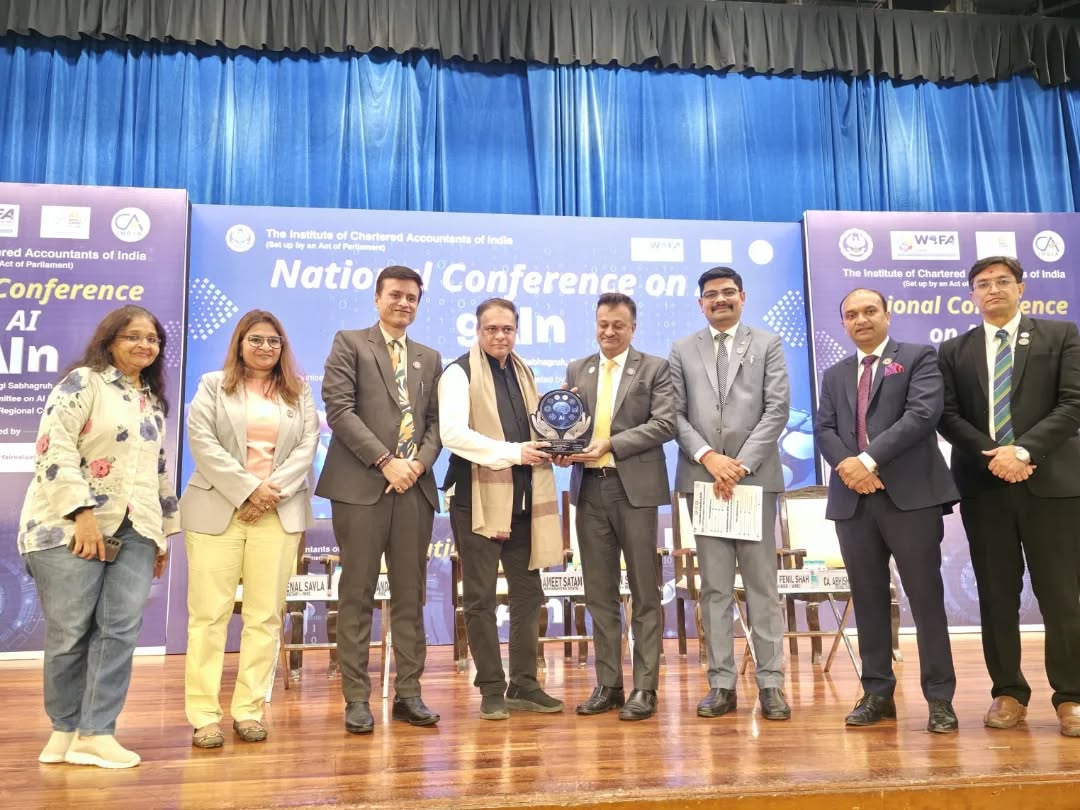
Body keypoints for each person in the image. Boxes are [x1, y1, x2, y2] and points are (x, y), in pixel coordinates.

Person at [18, 305, 178, 769]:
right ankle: (64, 729)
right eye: (134, 336)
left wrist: (162, 534)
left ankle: (96, 733)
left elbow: (157, 471)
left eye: (153, 338)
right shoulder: (83, 383)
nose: (145, 345)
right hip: (67, 526)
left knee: (119, 632)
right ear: (110, 341)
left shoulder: (151, 401)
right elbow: (54, 449)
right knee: (70, 631)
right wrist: (82, 514)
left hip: (136, 528)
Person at [937, 255, 1080, 737]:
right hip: (986, 487)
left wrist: (1023, 450)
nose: (993, 289)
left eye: (1002, 281)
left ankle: (1071, 696)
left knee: (1062, 595)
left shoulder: (1060, 335)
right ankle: (1008, 692)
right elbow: (948, 416)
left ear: (1021, 288)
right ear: (972, 295)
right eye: (983, 284)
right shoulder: (954, 350)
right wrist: (995, 457)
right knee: (996, 596)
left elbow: (1073, 403)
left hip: (1052, 485)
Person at [814, 289, 959, 732]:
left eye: (869, 311)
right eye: (851, 314)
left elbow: (922, 415)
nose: (861, 320)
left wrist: (867, 460)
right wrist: (849, 467)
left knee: (925, 598)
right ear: (843, 323)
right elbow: (824, 428)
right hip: (853, 500)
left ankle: (939, 699)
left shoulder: (918, 357)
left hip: (910, 498)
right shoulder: (835, 374)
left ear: (887, 315)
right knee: (868, 599)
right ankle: (877, 693)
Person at [180, 310, 319, 748]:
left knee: (264, 616)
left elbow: (307, 447)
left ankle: (249, 710)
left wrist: (268, 493)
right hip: (217, 512)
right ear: (240, 343)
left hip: (277, 513)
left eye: (274, 341)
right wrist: (247, 490)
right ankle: (204, 715)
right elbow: (203, 443)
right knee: (209, 617)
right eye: (256, 339)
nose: (265, 347)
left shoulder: (299, 392)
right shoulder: (212, 385)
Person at [315, 266, 443, 734]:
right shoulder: (350, 343)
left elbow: (436, 423)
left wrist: (418, 464)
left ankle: (409, 694)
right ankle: (356, 698)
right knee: (357, 594)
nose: (404, 303)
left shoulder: (429, 357)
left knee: (410, 595)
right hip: (361, 488)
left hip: (414, 489)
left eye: (412, 298)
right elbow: (339, 410)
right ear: (377, 298)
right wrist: (386, 460)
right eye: (395, 295)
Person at [668, 266, 791, 721]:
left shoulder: (768, 343)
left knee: (762, 587)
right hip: (704, 481)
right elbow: (674, 414)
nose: (720, 300)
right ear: (700, 303)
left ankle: (771, 684)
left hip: (753, 480)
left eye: (728, 292)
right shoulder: (682, 349)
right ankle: (721, 684)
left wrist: (738, 465)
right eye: (711, 295)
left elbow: (777, 409)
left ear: (742, 296)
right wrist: (710, 458)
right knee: (715, 589)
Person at [439, 298, 564, 720]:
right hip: (476, 499)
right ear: (477, 331)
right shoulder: (458, 372)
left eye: (507, 329)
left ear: (516, 331)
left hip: (525, 498)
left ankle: (524, 684)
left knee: (529, 594)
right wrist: (514, 453)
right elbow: (453, 435)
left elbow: (536, 429)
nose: (500, 336)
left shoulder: (524, 373)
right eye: (491, 329)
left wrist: (560, 438)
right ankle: (491, 688)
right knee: (480, 597)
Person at [554, 293, 675, 721]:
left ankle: (645, 688)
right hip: (589, 489)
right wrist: (562, 448)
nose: (609, 332)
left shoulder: (655, 368)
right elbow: (568, 424)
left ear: (633, 328)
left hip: (634, 491)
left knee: (644, 592)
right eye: (603, 324)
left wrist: (611, 444)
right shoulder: (578, 368)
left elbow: (665, 423)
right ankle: (608, 685)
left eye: (618, 325)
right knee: (598, 593)